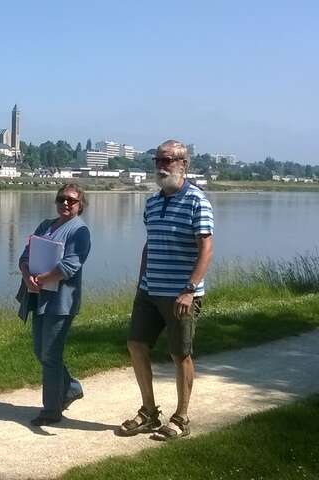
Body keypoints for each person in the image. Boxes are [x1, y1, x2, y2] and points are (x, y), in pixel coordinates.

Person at [117, 140, 213, 440]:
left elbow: (206, 249)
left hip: (181, 294)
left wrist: (189, 289)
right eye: (158, 160)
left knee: (179, 354)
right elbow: (151, 244)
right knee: (136, 344)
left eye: (168, 160)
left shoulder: (198, 201)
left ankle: (182, 418)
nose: (161, 165)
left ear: (183, 164)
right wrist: (141, 281)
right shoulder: (152, 202)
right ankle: (148, 412)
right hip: (149, 290)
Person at [17, 183, 91, 426]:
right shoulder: (45, 225)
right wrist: (28, 275)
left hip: (61, 301)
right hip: (37, 295)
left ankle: (51, 409)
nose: (66, 203)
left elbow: (70, 266)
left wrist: (42, 279)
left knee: (51, 354)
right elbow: (25, 256)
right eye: (62, 199)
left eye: (72, 200)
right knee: (41, 350)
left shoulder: (79, 231)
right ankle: (70, 387)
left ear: (81, 205)